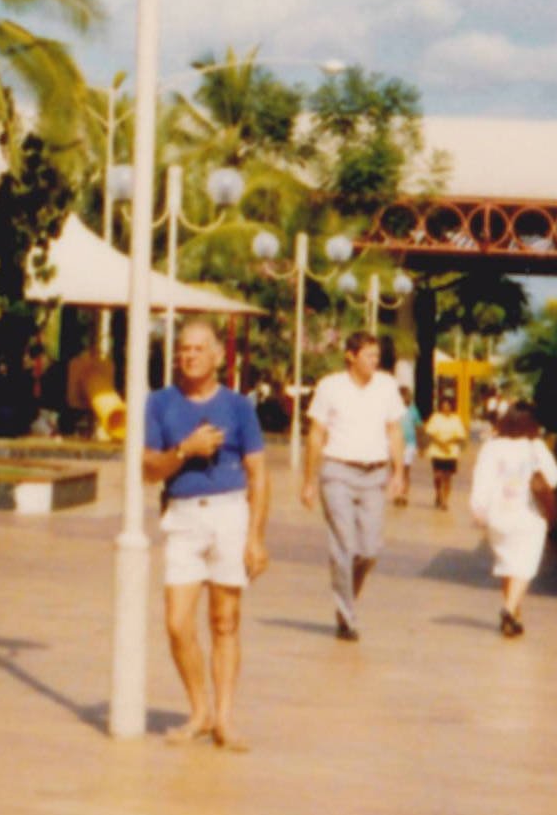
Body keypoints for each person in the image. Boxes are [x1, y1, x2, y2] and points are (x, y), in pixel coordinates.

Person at [141, 318, 269, 747]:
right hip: (183, 518)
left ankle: (224, 719)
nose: (190, 355)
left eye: (199, 348)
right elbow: (148, 468)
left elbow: (258, 472)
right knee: (178, 624)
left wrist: (256, 537)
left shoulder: (238, 406)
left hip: (229, 514)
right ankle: (199, 710)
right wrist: (185, 450)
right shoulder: (160, 403)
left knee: (224, 620)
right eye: (184, 348)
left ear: (217, 356)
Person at [297, 332, 408, 640]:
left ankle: (346, 599)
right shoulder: (330, 387)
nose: (375, 360)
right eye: (369, 355)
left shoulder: (386, 386)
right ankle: (346, 616)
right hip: (337, 472)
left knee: (369, 550)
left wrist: (399, 473)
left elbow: (394, 430)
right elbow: (316, 434)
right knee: (344, 545)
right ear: (351, 356)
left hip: (374, 475)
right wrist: (309, 480)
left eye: (377, 355)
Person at [465, 400, 557, 636]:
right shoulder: (535, 447)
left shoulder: (491, 447)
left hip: (498, 516)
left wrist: (478, 508)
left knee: (509, 564)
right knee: (523, 566)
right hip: (528, 516)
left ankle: (514, 614)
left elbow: (481, 479)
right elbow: (554, 477)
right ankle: (509, 609)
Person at [422, 403, 468, 511]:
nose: (446, 408)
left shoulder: (456, 419)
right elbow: (430, 433)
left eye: (448, 406)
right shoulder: (435, 418)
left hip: (451, 452)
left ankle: (445, 501)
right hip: (437, 451)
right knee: (438, 475)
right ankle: (438, 493)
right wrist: (441, 444)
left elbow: (460, 435)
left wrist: (448, 443)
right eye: (444, 406)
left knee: (447, 477)